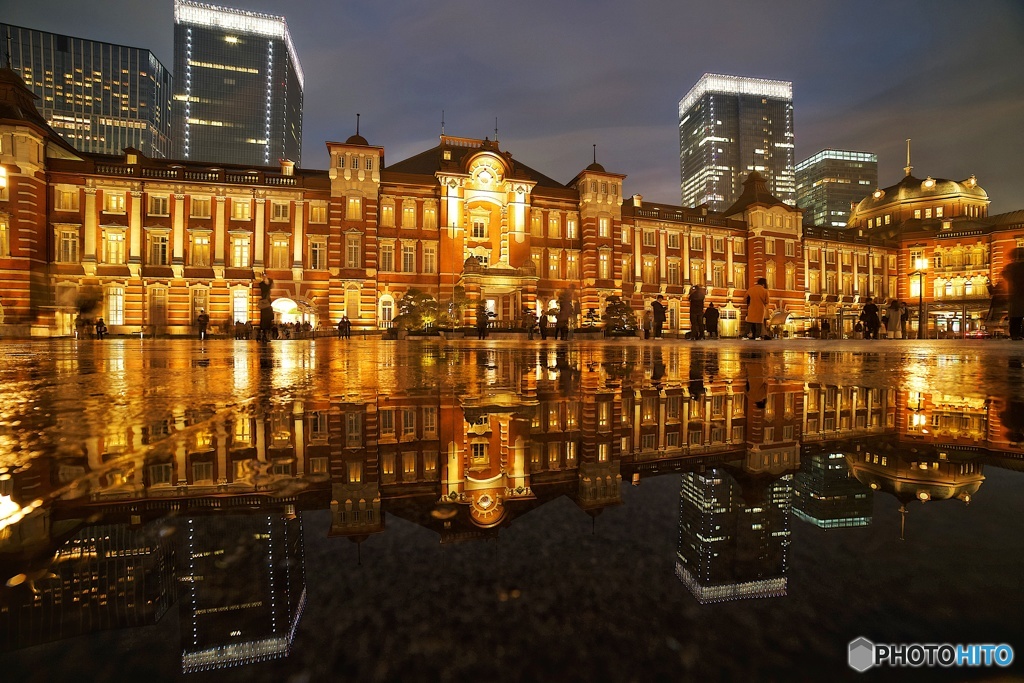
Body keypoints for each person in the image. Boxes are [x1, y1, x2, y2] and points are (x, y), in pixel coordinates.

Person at [1003, 248, 1024, 339]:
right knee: (1016, 316)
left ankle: (1015, 335)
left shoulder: (1011, 267)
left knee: (1015, 317)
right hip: (1017, 295)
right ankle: (1017, 334)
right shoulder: (1013, 267)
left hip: (1015, 295)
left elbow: (1005, 275)